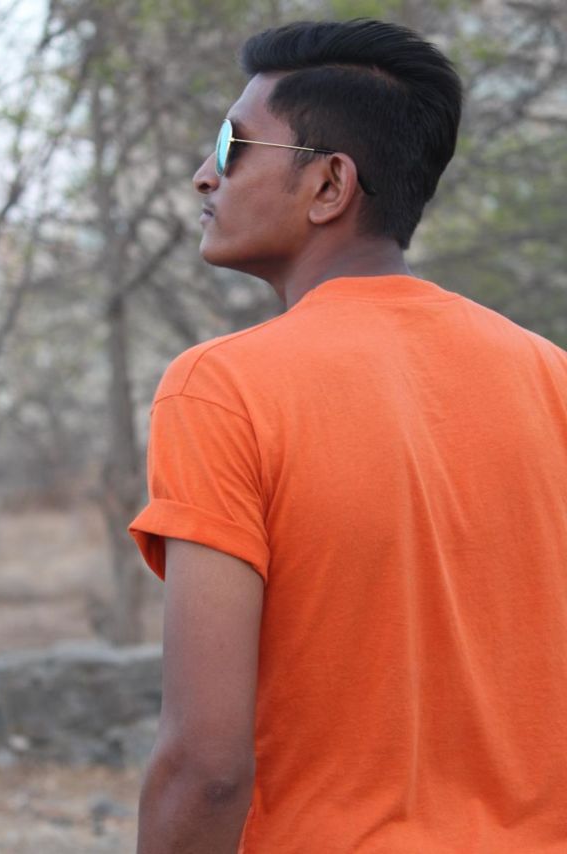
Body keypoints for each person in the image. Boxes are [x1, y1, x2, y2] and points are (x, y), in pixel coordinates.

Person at [128, 18, 567, 854]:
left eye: (231, 146)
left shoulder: (223, 388)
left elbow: (205, 767)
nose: (203, 175)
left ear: (330, 185)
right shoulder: (552, 375)